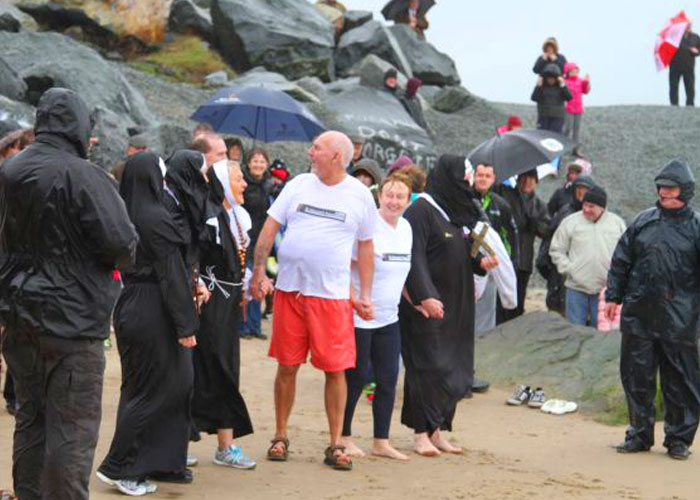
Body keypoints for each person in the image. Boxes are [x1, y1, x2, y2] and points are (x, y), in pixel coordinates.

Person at [0, 88, 138, 500]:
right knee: (71, 432)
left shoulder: (10, 172)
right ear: (79, 126)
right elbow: (123, 245)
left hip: (20, 313)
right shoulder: (84, 175)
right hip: (72, 323)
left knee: (32, 419)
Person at [250, 130, 377, 471]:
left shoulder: (360, 195)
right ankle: (280, 435)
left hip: (332, 296)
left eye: (317, 148)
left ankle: (336, 443)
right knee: (287, 366)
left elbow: (366, 246)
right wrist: (260, 271)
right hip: (291, 291)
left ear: (337, 155)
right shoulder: (298, 184)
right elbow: (270, 227)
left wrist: (365, 294)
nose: (311, 151)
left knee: (336, 370)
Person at [97, 153, 199, 495]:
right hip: (154, 306)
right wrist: (186, 326)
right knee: (156, 389)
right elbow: (171, 274)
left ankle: (158, 460)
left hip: (131, 303)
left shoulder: (123, 213)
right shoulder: (156, 217)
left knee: (148, 386)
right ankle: (120, 467)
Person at [400, 155, 498, 456]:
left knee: (452, 365)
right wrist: (424, 296)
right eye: (462, 178)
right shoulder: (420, 211)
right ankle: (420, 433)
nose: (466, 184)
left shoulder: (454, 212)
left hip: (457, 305)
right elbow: (413, 258)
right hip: (426, 306)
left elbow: (461, 254)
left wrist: (480, 264)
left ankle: (438, 429)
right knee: (427, 366)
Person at [605, 158, 700, 460]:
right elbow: (621, 260)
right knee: (636, 377)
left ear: (684, 191)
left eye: (670, 188)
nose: (664, 193)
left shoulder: (697, 228)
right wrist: (613, 296)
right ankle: (639, 434)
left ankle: (678, 440)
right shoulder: (643, 221)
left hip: (681, 319)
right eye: (661, 187)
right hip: (639, 315)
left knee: (681, 381)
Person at [341, 174, 413, 461]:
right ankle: (344, 437)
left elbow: (406, 273)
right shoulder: (368, 227)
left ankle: (381, 441)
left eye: (400, 197)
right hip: (359, 317)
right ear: (379, 197)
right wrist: (353, 300)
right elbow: (344, 266)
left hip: (389, 317)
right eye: (389, 195)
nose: (394, 202)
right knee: (356, 378)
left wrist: (417, 302)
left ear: (409, 201)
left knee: (387, 379)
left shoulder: (407, 228)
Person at [192, 159, 256, 469]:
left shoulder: (236, 217)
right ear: (222, 183)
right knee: (203, 369)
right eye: (238, 178)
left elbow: (240, 262)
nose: (244, 183)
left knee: (228, 368)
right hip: (210, 304)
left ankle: (226, 447)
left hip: (230, 305)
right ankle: (180, 443)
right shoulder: (209, 218)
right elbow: (194, 259)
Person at [549, 185, 626, 327]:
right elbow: (556, 249)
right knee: (574, 332)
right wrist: (570, 269)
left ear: (602, 207)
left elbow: (625, 256)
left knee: (601, 336)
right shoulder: (570, 222)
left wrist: (617, 280)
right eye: (584, 205)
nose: (586, 209)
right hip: (576, 289)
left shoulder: (617, 224)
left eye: (591, 206)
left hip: (605, 292)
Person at [495, 169, 550, 321]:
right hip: (505, 257)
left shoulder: (539, 205)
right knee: (501, 299)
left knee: (518, 299)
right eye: (524, 178)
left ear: (536, 183)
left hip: (524, 261)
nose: (527, 182)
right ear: (518, 180)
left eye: (531, 179)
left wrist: (535, 224)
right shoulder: (506, 195)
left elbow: (547, 230)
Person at [537, 175, 595, 315]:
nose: (581, 194)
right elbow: (551, 241)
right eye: (579, 190)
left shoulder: (594, 215)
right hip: (560, 273)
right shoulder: (565, 212)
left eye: (585, 190)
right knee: (559, 311)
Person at [472, 163, 519, 335]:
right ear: (473, 176)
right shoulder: (464, 200)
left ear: (493, 179)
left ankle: (483, 347)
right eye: (480, 175)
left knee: (486, 311)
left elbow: (511, 238)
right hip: (468, 266)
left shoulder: (501, 205)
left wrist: (510, 261)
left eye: (487, 176)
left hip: (491, 266)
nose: (483, 179)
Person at [241, 147, 272, 339]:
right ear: (248, 163)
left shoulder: (269, 185)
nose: (258, 164)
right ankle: (243, 326)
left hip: (262, 241)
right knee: (246, 282)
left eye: (262, 161)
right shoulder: (243, 183)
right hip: (245, 239)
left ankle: (255, 327)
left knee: (258, 281)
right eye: (255, 161)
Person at [531, 63, 572, 134]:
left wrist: (563, 85)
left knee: (555, 138)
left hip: (557, 117)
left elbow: (569, 97)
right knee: (541, 136)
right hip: (543, 116)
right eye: (549, 78)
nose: (551, 80)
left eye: (553, 78)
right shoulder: (541, 86)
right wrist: (538, 86)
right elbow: (534, 98)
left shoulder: (561, 87)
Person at [669, 22, 700, 106]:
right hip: (675, 65)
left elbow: (698, 50)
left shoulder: (695, 37)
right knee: (674, 86)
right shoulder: (675, 37)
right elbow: (670, 48)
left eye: (690, 25)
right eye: (687, 25)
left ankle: (690, 104)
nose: (689, 26)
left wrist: (696, 52)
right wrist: (689, 48)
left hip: (689, 66)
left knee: (690, 86)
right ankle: (674, 104)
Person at [563, 62, 591, 152]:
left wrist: (586, 82)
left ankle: (575, 149)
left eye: (576, 71)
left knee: (576, 129)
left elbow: (585, 91)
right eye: (572, 71)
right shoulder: (565, 81)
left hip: (578, 108)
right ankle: (562, 146)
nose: (574, 73)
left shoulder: (580, 80)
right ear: (567, 72)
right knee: (567, 128)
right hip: (568, 108)